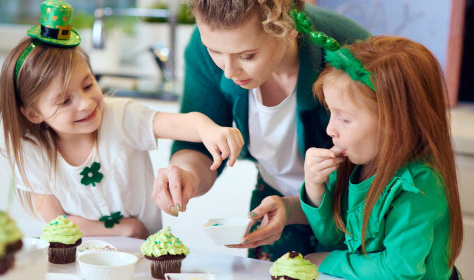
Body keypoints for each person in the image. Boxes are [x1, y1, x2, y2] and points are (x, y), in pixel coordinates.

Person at [0, 0, 243, 239]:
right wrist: (124, 229)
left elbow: (179, 123)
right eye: (65, 101)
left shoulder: (120, 116)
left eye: (88, 84)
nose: (86, 103)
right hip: (82, 256)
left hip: (145, 255)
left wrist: (208, 129)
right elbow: (57, 222)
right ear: (32, 113)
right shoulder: (32, 153)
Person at [151, 0, 370, 260]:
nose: (229, 71)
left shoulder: (346, 50)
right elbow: (198, 145)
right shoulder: (208, 46)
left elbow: (388, 161)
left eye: (247, 56)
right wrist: (187, 175)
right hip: (273, 199)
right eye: (215, 51)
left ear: (289, 29)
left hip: (356, 204)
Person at [236, 35, 464, 279]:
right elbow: (332, 235)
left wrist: (326, 260)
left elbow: (400, 270)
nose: (330, 129)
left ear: (394, 122)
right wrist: (315, 187)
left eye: (344, 119)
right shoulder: (355, 165)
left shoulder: (418, 186)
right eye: (330, 113)